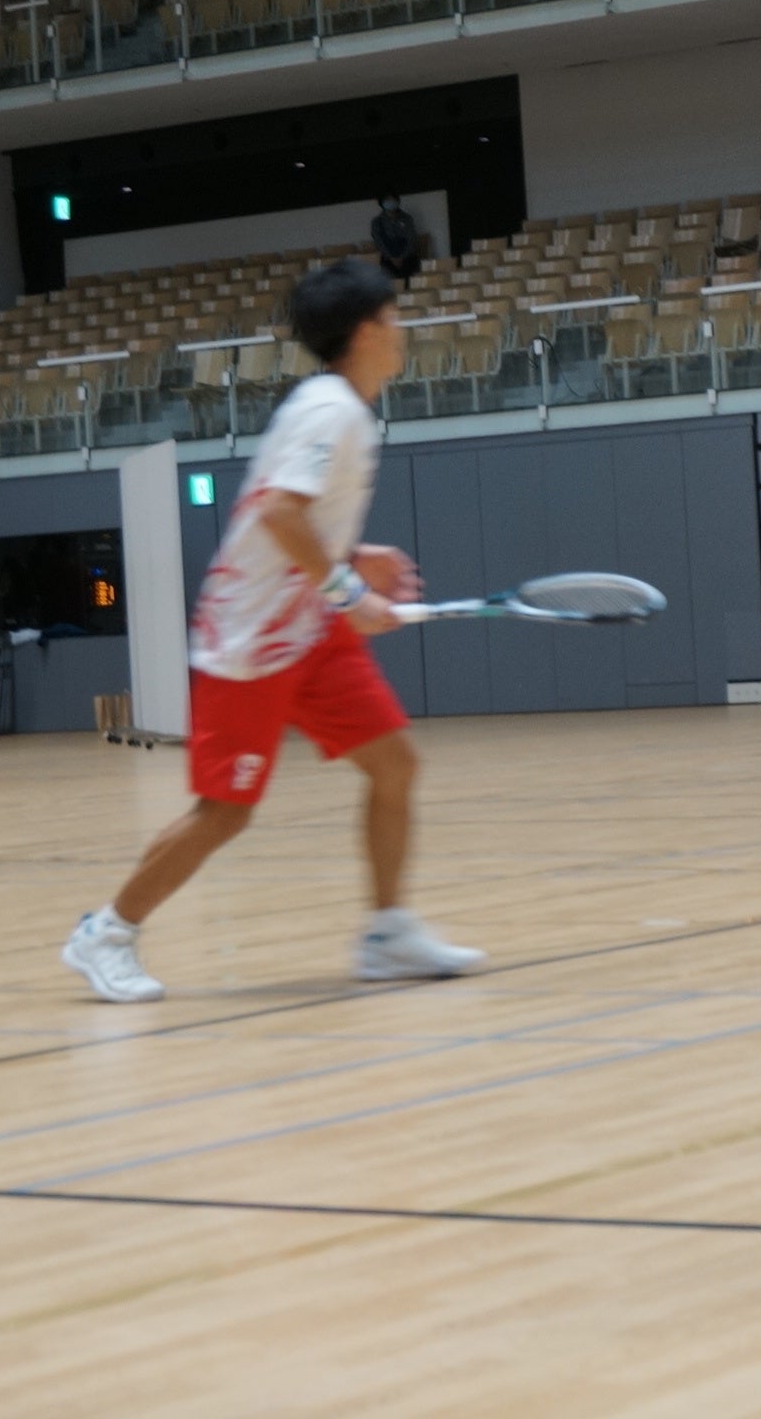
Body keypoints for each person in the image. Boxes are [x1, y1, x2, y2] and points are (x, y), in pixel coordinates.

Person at [62, 258, 483, 1001]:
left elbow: (289, 515)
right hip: (252, 643)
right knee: (225, 813)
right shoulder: (331, 411)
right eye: (392, 318)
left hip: (309, 630)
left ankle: (387, 934)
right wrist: (349, 591)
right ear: (365, 332)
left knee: (395, 764)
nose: (402, 330)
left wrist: (352, 556)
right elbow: (279, 512)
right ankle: (107, 933)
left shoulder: (341, 409)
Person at [369, 196, 420, 284]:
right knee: (389, 281)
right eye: (387, 200)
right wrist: (391, 258)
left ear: (397, 201)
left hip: (408, 258)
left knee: (411, 278)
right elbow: (379, 242)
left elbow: (412, 238)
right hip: (388, 260)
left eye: (392, 199)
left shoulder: (407, 218)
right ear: (382, 203)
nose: (390, 202)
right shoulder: (377, 222)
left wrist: (402, 257)